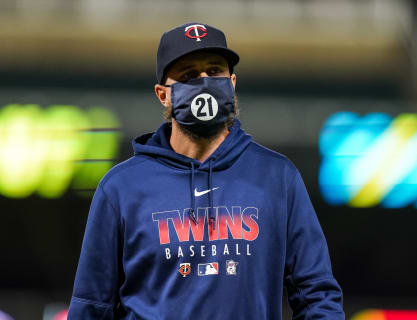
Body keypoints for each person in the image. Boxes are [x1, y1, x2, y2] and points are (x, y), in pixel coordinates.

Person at [68, 22, 344, 320]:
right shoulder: (121, 187)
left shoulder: (277, 177)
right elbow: (92, 306)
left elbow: (316, 294)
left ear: (233, 82)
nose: (204, 83)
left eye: (214, 72)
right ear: (163, 94)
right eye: (188, 75)